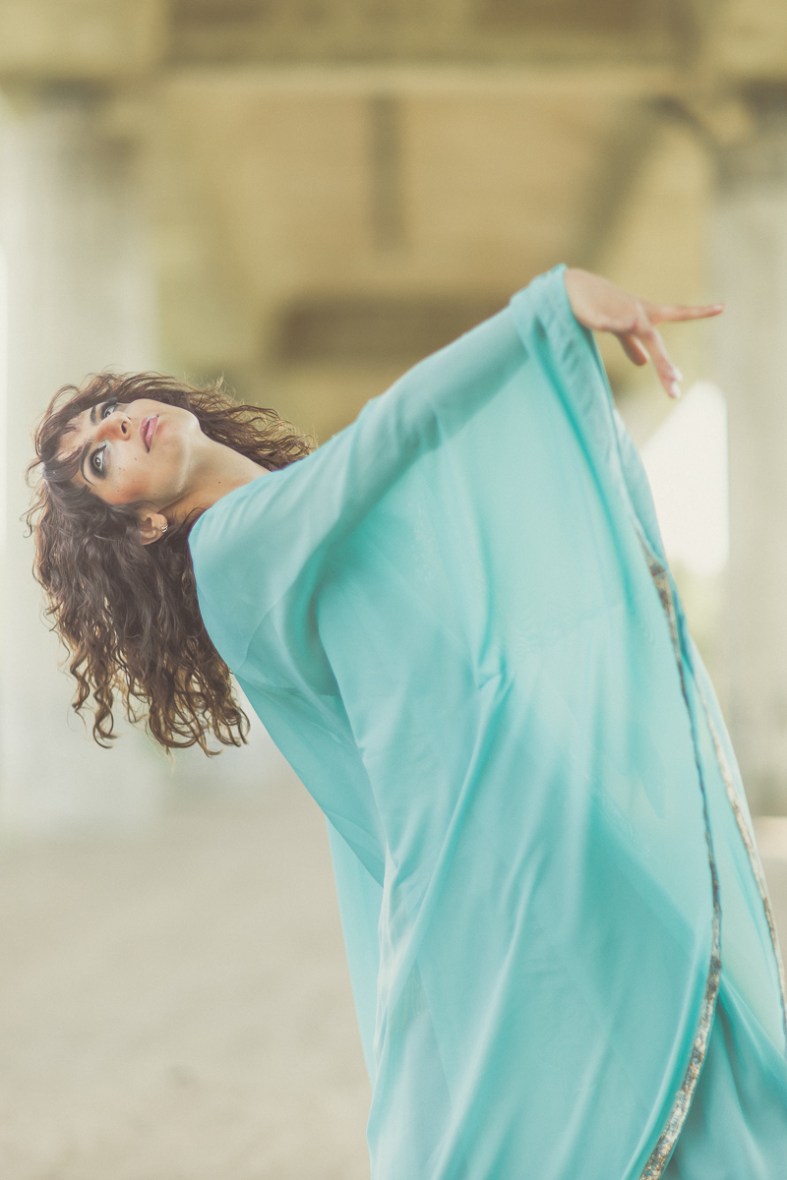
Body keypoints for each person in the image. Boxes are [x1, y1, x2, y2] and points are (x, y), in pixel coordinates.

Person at [28, 265, 787, 1178]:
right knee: (631, 1072)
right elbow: (392, 433)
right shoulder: (238, 545)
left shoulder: (293, 516)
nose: (115, 429)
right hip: (503, 851)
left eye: (109, 413)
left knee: (682, 1053)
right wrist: (541, 313)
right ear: (145, 527)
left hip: (524, 821)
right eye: (97, 461)